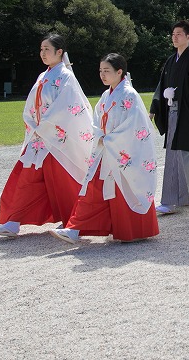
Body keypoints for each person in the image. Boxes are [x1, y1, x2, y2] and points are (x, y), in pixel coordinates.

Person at [0, 34, 94, 238]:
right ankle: (13, 221)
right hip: (40, 137)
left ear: (59, 52)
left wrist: (45, 126)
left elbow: (67, 106)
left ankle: (74, 223)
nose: (43, 53)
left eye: (47, 49)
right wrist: (33, 124)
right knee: (26, 178)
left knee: (63, 182)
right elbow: (31, 105)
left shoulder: (66, 76)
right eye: (41, 49)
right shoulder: (42, 76)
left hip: (55, 138)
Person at [51, 54, 159, 244]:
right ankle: (75, 228)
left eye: (107, 71)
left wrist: (109, 139)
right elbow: (96, 121)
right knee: (93, 188)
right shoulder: (106, 95)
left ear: (120, 72)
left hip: (120, 152)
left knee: (105, 189)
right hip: (106, 149)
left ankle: (82, 228)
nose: (102, 75)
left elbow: (135, 126)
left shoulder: (129, 95)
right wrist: (101, 135)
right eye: (101, 71)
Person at [150, 20, 189, 216]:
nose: (174, 37)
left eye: (179, 34)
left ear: (188, 37)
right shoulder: (170, 61)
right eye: (173, 34)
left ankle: (186, 196)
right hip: (172, 112)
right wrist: (155, 107)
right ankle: (173, 199)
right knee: (175, 156)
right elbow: (161, 85)